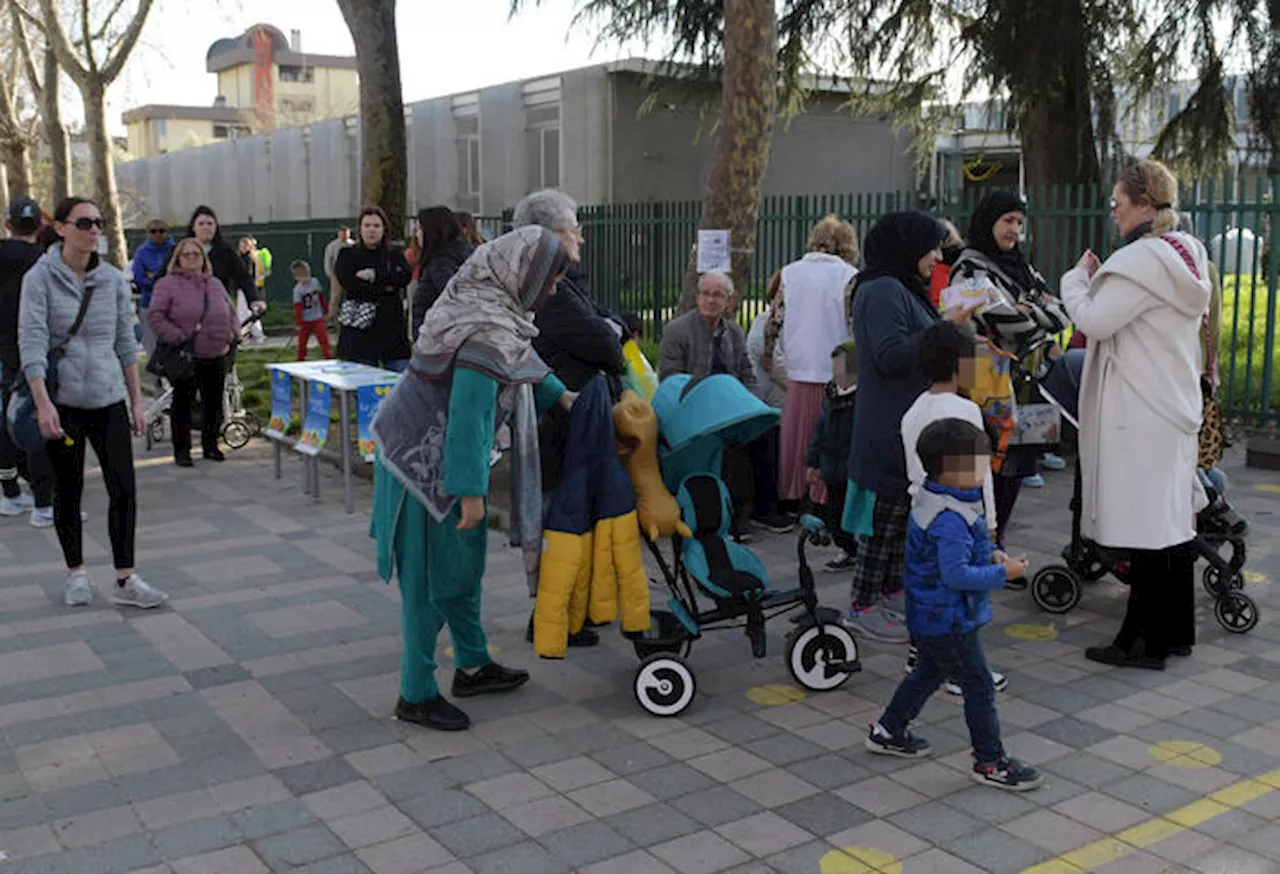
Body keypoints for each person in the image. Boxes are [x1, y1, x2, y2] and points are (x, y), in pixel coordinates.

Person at [369, 225, 576, 731]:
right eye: (549, 280)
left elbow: (520, 363)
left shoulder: (488, 304)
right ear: (522, 274)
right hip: (421, 470)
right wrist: (471, 495)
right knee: (430, 582)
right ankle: (415, 694)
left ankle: (472, 663)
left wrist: (567, 400)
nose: (552, 290)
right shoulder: (483, 326)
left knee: (462, 569)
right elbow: (469, 414)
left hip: (440, 459)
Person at [1062, 159, 1207, 671]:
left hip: (1139, 409)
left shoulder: (1141, 260)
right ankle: (1173, 635)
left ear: (1144, 204)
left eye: (1119, 202)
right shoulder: (1186, 251)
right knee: (1170, 525)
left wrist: (1076, 280)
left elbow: (1095, 320)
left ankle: (1138, 644)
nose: (1114, 211)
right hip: (1171, 406)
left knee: (1148, 533)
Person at [864, 418, 1040, 791]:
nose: (985, 470)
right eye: (978, 463)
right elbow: (955, 575)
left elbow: (956, 557)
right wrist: (1002, 574)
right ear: (949, 469)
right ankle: (990, 761)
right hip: (949, 618)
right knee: (979, 687)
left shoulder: (939, 498)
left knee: (927, 673)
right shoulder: (949, 518)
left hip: (932, 615)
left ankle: (887, 729)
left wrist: (991, 554)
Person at [19, 196, 169, 609]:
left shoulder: (112, 281)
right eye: (84, 222)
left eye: (99, 223)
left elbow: (126, 341)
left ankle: (125, 578)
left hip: (108, 399)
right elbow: (31, 343)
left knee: (124, 487)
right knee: (69, 488)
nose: (93, 230)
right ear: (62, 228)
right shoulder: (40, 277)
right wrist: (43, 403)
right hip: (62, 401)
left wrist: (137, 401)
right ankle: (76, 573)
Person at [843, 211, 960, 644]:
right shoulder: (882, 290)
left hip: (907, 425)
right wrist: (947, 330)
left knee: (900, 522)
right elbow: (890, 354)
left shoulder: (901, 287)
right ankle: (861, 605)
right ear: (907, 246)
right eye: (931, 246)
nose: (936, 255)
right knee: (883, 524)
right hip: (888, 427)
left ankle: (887, 593)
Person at [951, 191, 1068, 538]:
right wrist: (1031, 313)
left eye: (1019, 222)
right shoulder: (968, 266)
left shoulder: (1022, 267)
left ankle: (995, 541)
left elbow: (1063, 312)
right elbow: (1007, 321)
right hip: (982, 383)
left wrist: (1030, 310)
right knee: (985, 468)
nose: (1014, 229)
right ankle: (979, 545)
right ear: (989, 222)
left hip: (1021, 382)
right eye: (1007, 221)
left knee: (1015, 467)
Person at [901, 321, 1007, 694]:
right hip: (960, 517)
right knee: (961, 600)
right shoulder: (964, 410)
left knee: (931, 590)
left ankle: (926, 658)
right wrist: (990, 522)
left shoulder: (912, 411)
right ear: (959, 364)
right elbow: (980, 474)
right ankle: (962, 671)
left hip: (922, 512)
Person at [660, 271, 791, 537]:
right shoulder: (677, 330)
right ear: (697, 297)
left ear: (729, 299)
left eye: (717, 295)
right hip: (695, 409)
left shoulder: (734, 332)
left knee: (766, 430)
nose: (710, 300)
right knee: (726, 445)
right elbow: (671, 380)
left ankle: (763, 510)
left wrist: (753, 406)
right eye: (706, 294)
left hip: (731, 406)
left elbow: (747, 374)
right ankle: (730, 518)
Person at [769, 216, 859, 507]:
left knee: (797, 436)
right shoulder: (849, 276)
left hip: (799, 364)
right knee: (833, 434)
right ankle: (826, 496)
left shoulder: (789, 274)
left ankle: (795, 493)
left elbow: (775, 320)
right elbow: (852, 322)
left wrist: (774, 353)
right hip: (840, 366)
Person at [147, 239, 239, 467]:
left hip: (217, 351)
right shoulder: (167, 284)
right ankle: (182, 450)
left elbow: (230, 310)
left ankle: (211, 445)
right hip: (185, 353)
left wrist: (232, 334)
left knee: (214, 402)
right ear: (177, 259)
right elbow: (156, 316)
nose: (192, 259)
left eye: (196, 255)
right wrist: (176, 336)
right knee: (183, 403)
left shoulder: (214, 283)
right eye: (186, 255)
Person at [0, 196, 55, 525]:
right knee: (37, 416)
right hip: (34, 348)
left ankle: (9, 489)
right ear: (40, 225)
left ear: (8, 224)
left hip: (2, 349)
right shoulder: (46, 262)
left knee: (3, 418)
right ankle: (42, 496)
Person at [334, 206, 413, 371]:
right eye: (367, 225)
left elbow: (404, 277)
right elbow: (350, 284)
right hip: (359, 332)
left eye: (376, 226)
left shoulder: (395, 254)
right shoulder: (347, 254)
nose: (372, 230)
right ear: (360, 229)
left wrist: (375, 277)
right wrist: (387, 285)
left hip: (392, 330)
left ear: (384, 229)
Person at [804, 342, 859, 571]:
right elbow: (821, 427)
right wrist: (813, 461)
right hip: (832, 463)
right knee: (835, 514)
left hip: (853, 464)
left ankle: (857, 550)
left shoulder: (864, 397)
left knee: (856, 512)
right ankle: (848, 549)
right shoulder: (830, 393)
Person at [410, 206, 476, 338]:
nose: (417, 235)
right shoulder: (466, 253)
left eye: (419, 229)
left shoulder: (441, 263)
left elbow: (452, 297)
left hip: (439, 339)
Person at [131, 219, 173, 357]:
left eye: (161, 231)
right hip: (149, 303)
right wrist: (160, 282)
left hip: (173, 304)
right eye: (153, 231)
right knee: (152, 346)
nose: (157, 234)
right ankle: (156, 377)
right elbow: (139, 278)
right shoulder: (141, 252)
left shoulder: (174, 250)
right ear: (147, 233)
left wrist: (153, 277)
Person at [291, 260, 331, 360]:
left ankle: (328, 356)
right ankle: (300, 359)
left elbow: (321, 297)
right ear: (296, 277)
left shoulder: (315, 282)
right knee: (302, 342)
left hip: (317, 317)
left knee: (323, 339)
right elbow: (298, 307)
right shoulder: (297, 290)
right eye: (301, 277)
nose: (305, 279)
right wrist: (298, 323)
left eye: (307, 275)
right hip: (305, 321)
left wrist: (326, 311)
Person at [323, 225, 354, 319]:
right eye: (342, 233)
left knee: (352, 295)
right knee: (335, 297)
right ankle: (332, 317)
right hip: (336, 275)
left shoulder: (353, 245)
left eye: (346, 233)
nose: (344, 235)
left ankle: (350, 315)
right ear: (339, 234)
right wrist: (331, 275)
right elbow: (328, 260)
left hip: (351, 275)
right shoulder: (332, 246)